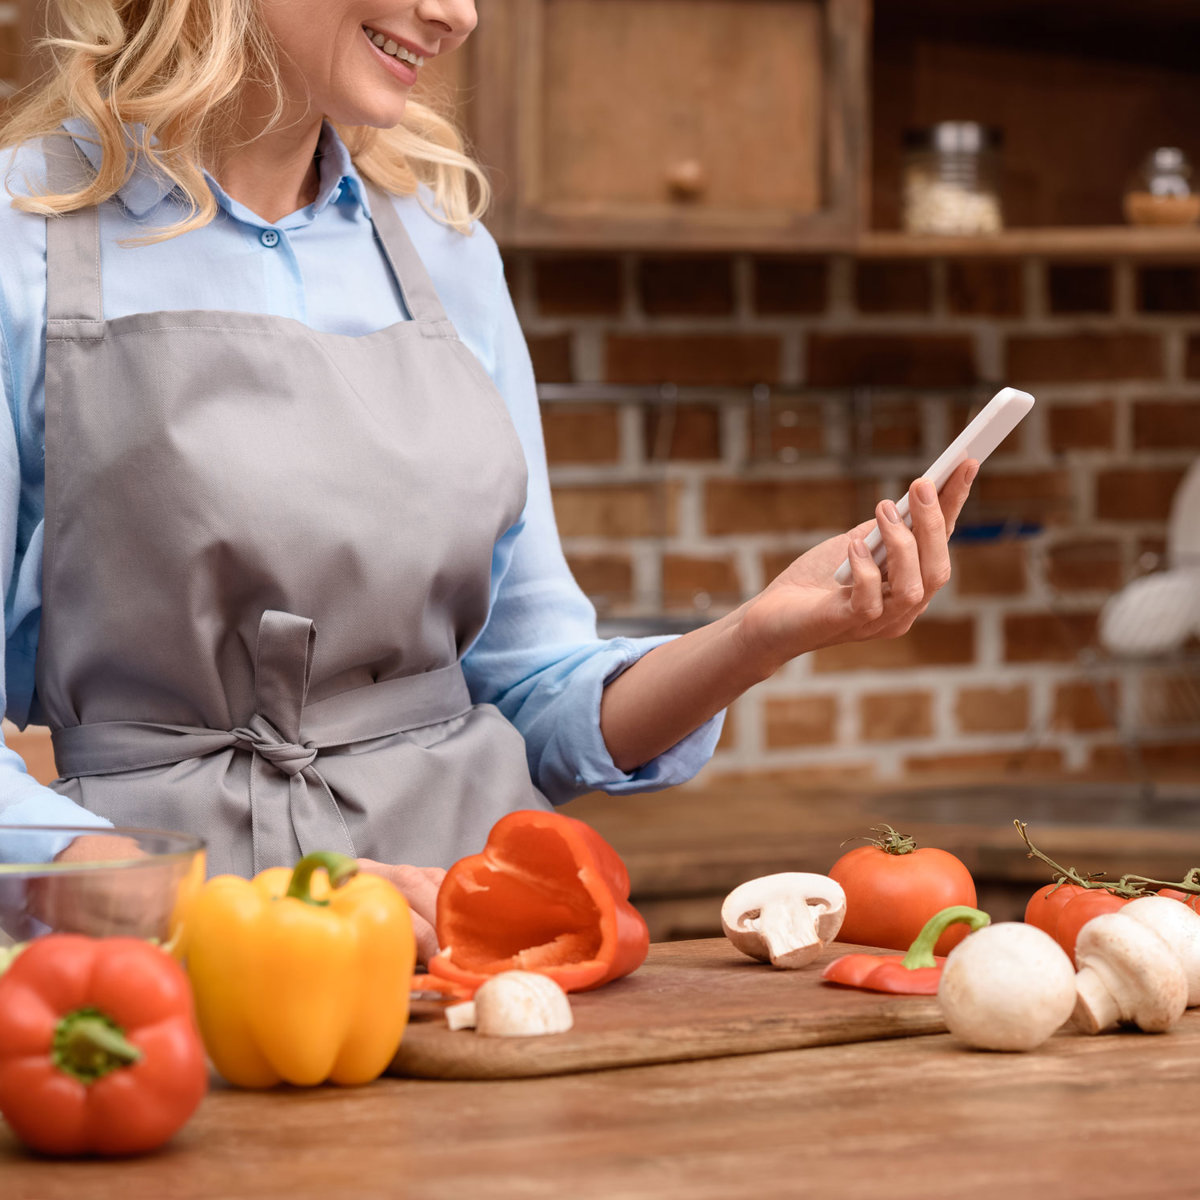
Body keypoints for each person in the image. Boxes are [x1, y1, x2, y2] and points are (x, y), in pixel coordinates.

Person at [0, 0, 976, 960]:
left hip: (485, 943)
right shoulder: (23, 235)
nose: (456, 14)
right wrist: (186, 896)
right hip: (171, 956)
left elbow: (533, 683)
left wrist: (761, 634)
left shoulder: (443, 248)